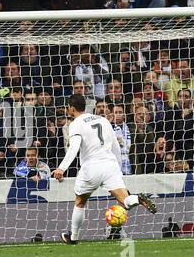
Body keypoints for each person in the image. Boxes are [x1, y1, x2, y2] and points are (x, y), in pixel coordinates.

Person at [51, 94, 157, 245]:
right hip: (110, 165)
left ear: (71, 108)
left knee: (80, 202)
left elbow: (74, 147)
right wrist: (118, 169)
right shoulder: (103, 120)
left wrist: (61, 168)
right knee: (125, 201)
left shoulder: (75, 123)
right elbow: (115, 146)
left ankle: (73, 237)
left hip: (91, 167)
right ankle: (139, 199)